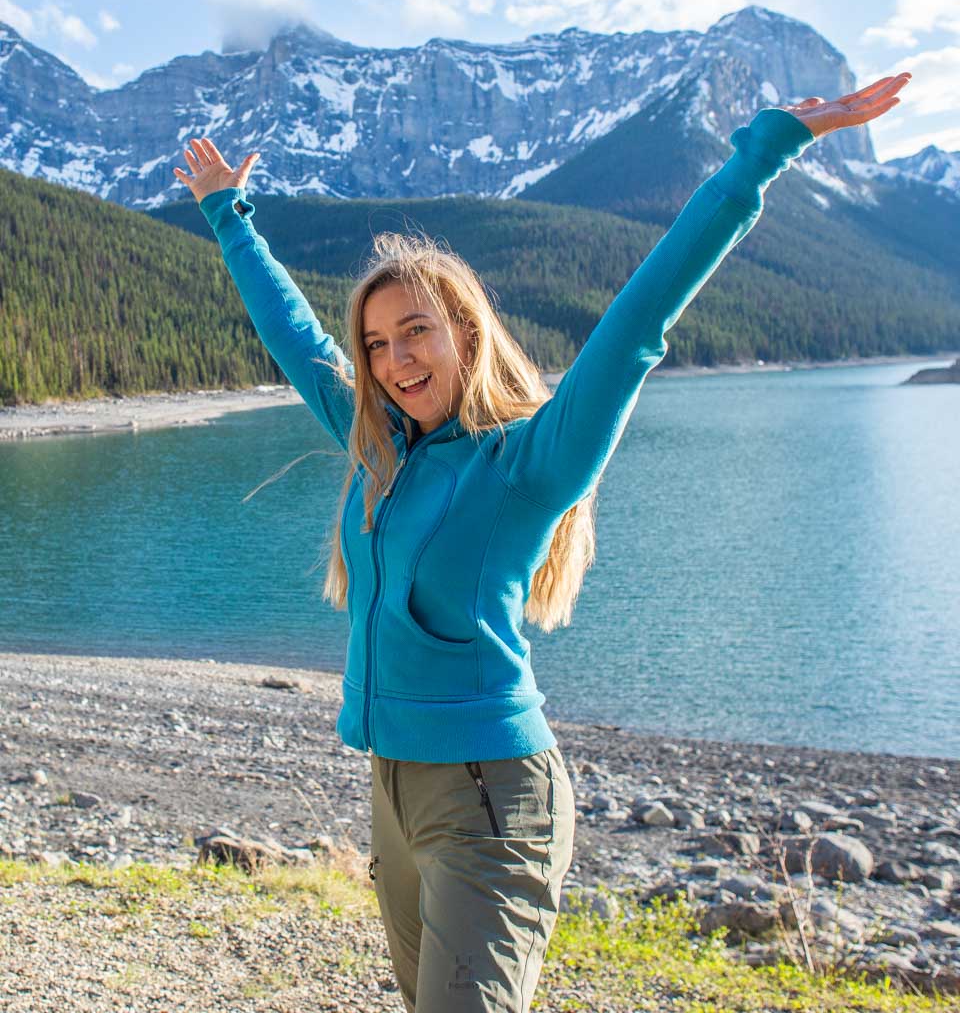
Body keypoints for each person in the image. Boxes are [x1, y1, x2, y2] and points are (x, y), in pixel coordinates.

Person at [173, 71, 909, 1012]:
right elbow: (294, 335)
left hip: (492, 802)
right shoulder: (380, 447)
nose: (394, 362)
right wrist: (228, 214)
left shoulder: (526, 466)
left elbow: (637, 324)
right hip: (393, 793)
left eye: (416, 334)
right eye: (377, 345)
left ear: (467, 337)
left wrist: (762, 154)